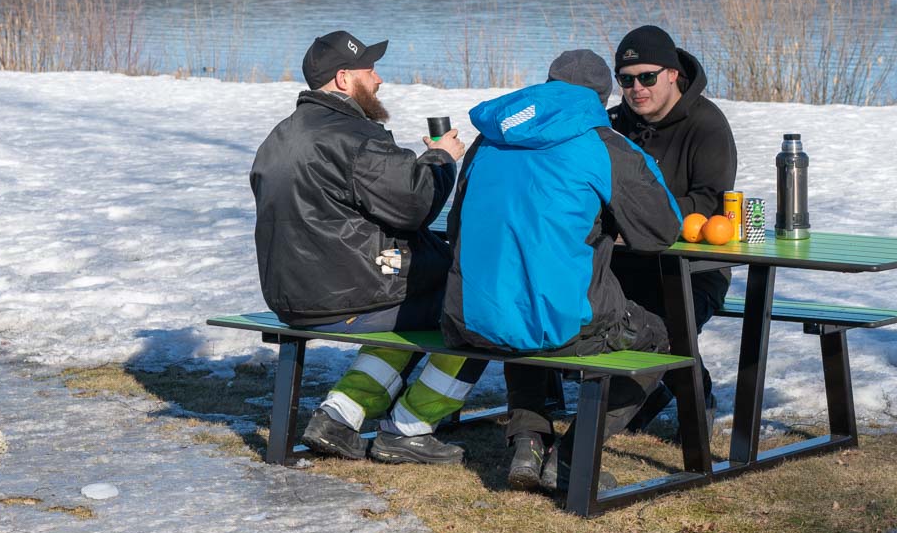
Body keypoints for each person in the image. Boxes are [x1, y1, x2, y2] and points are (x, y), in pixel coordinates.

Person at [440, 50, 684, 491]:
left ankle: (528, 443)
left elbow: (455, 225)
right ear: (598, 96)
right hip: (566, 325)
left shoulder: (488, 140)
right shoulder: (603, 144)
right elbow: (662, 229)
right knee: (657, 339)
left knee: (525, 317)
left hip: (473, 318)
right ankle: (573, 457)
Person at [249, 29, 485, 465]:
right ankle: (411, 427)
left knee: (418, 298)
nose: (378, 80)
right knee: (477, 308)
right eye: (370, 71)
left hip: (292, 296)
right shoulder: (355, 136)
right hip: (348, 294)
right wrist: (440, 158)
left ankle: (340, 414)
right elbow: (415, 205)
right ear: (343, 80)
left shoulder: (278, 137)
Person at [606, 24, 738, 430]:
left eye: (647, 77)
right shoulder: (611, 124)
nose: (636, 89)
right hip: (621, 265)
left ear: (673, 75)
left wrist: (637, 220)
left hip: (692, 269)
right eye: (625, 80)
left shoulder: (708, 127)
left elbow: (709, 203)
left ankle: (695, 399)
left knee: (664, 327)